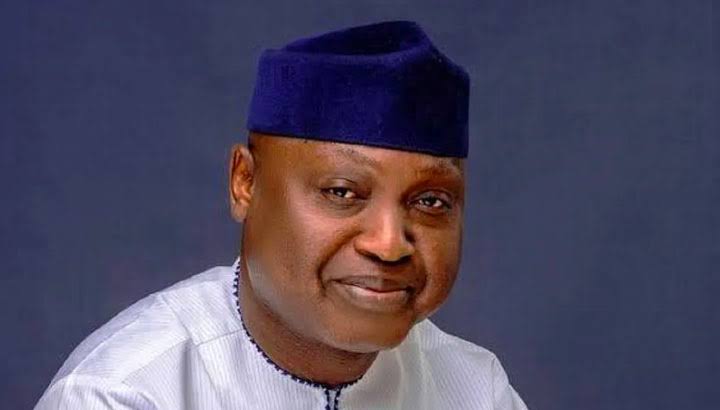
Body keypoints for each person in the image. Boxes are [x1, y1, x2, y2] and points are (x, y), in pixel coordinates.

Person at [35, 20, 528, 409]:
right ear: (245, 183)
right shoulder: (125, 395)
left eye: (430, 202)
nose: (389, 243)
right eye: (341, 192)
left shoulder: (474, 390)